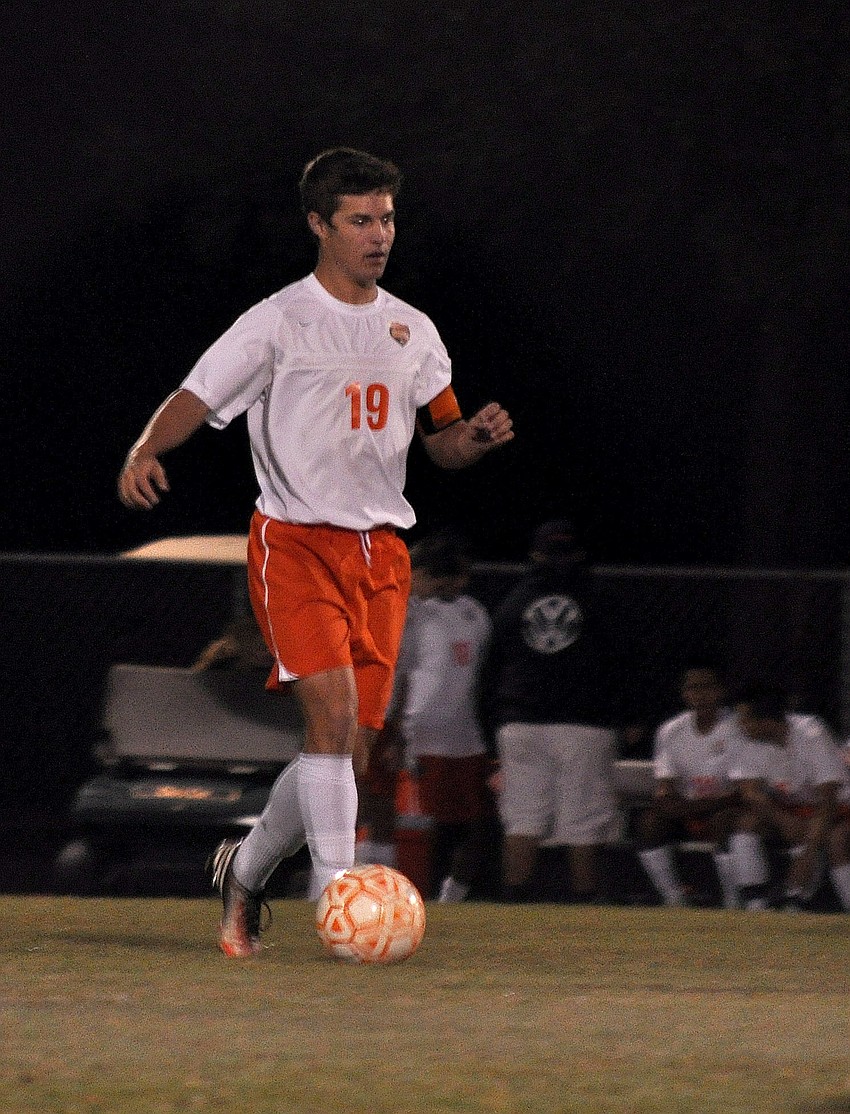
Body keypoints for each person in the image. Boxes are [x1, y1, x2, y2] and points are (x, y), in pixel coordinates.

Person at [117, 147, 514, 956]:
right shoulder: (279, 320)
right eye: (361, 220)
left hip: (382, 556)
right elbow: (198, 393)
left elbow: (440, 440)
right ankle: (337, 893)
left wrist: (469, 439)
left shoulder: (414, 330)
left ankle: (245, 871)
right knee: (330, 717)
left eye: (388, 219)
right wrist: (147, 448)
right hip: (295, 545)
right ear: (319, 226)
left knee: (350, 747)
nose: (379, 235)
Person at [483, 519, 623, 903]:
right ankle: (583, 901)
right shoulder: (600, 596)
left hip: (521, 720)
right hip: (583, 722)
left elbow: (492, 665)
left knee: (523, 816)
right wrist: (626, 715)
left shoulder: (513, 601)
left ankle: (513, 899)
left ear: (535, 555)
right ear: (580, 554)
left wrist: (494, 720)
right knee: (582, 819)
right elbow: (624, 661)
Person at [362, 529, 494, 901]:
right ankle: (363, 891)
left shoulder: (472, 614)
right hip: (399, 729)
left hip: (453, 735)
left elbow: (410, 674)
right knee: (378, 808)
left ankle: (440, 897)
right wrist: (399, 729)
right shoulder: (398, 608)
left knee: (471, 823)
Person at [728, 683, 850, 912]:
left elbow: (829, 800)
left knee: (836, 840)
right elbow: (750, 792)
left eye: (746, 720)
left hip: (838, 808)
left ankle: (800, 898)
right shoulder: (748, 741)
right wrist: (784, 820)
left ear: (767, 721)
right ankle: (756, 902)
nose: (740, 725)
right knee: (748, 823)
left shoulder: (811, 733)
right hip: (794, 808)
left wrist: (807, 854)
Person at [637, 662, 744, 907]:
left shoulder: (737, 727)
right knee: (649, 822)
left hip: (726, 807)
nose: (700, 694)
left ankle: (733, 901)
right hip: (688, 809)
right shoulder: (671, 730)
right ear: (684, 694)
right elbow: (666, 785)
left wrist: (697, 806)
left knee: (724, 820)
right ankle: (674, 898)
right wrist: (668, 801)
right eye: (693, 688)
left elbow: (742, 790)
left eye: (707, 687)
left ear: (720, 691)